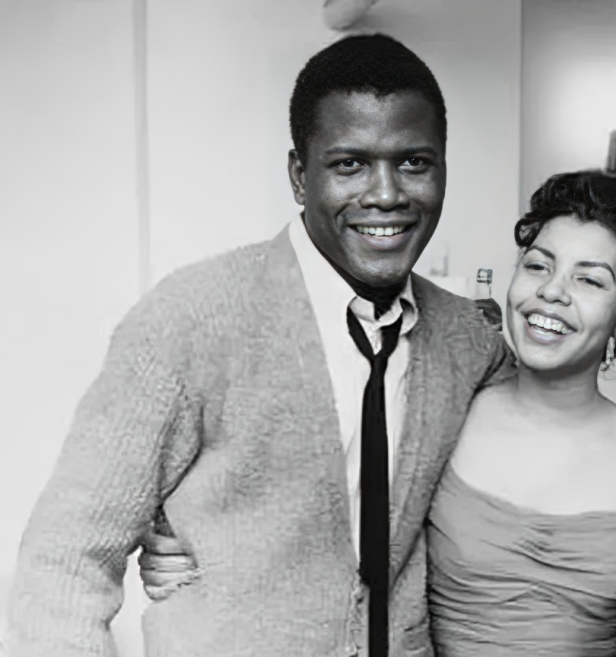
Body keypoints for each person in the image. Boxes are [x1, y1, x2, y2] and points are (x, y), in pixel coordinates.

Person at [6, 34, 513, 657]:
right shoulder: (191, 317)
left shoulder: (471, 345)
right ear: (300, 176)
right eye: (349, 164)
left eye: (414, 162)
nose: (386, 194)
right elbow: (67, 559)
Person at [143, 170, 616, 656]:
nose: (551, 292)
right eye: (538, 265)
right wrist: (196, 551)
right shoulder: (447, 409)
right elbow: (313, 520)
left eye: (589, 279)